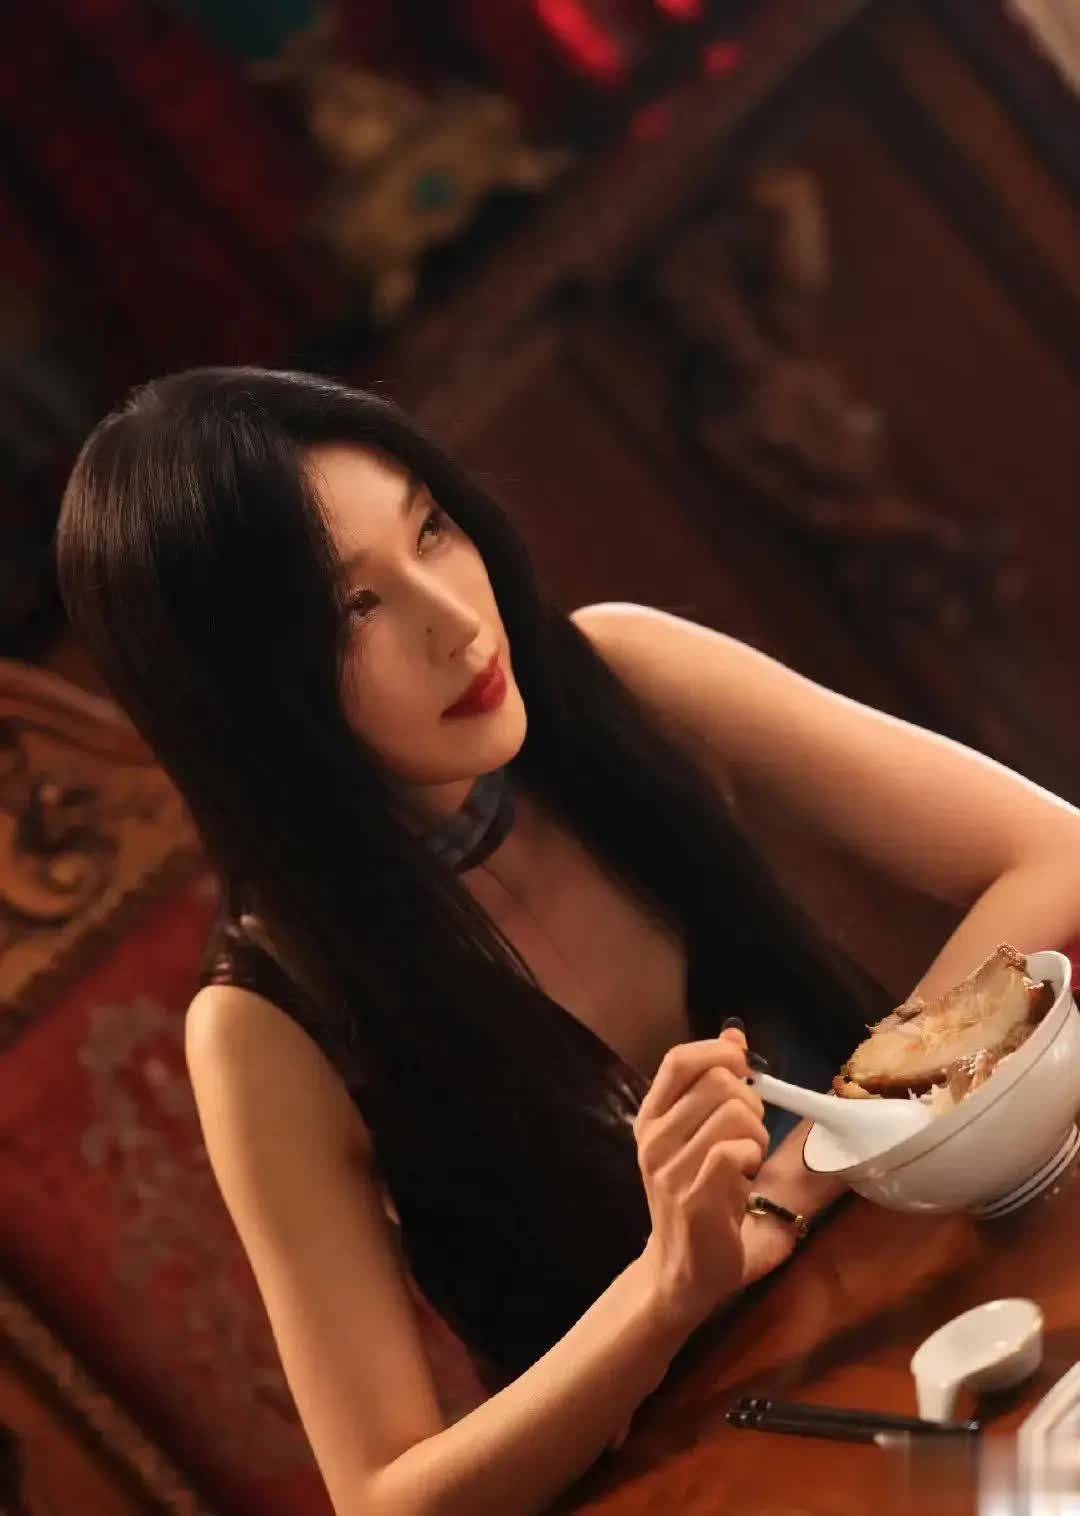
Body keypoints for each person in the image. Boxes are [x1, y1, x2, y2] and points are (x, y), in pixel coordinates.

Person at [56, 368, 1080, 1516]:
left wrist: (792, 1184)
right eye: (354, 610)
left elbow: (1057, 854)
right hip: (728, 1468)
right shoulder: (265, 1015)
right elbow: (387, 1498)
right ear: (248, 702)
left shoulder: (621, 672)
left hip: (964, 1292)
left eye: (431, 530)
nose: (455, 622)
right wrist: (667, 1290)